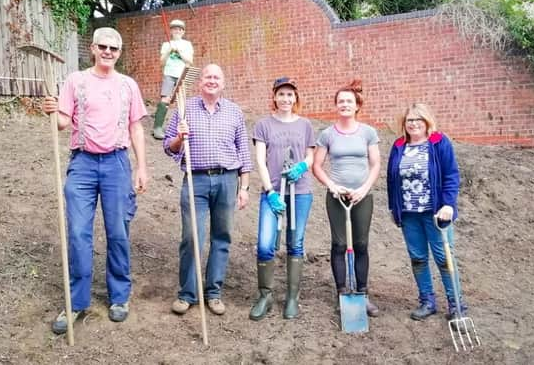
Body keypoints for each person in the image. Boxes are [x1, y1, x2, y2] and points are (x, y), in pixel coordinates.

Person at [42, 27, 149, 334]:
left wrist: (141, 167)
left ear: (119, 53)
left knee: (118, 232)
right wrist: (52, 110)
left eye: (113, 48)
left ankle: (119, 297)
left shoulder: (128, 85)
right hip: (83, 163)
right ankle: (76, 301)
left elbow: (137, 129)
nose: (108, 52)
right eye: (102, 46)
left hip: (117, 163)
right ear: (92, 48)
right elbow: (63, 122)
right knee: (77, 233)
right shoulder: (76, 81)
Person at [163, 63, 252, 316]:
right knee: (192, 236)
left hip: (227, 179)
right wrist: (180, 137)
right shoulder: (184, 108)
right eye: (207, 77)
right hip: (196, 180)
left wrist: (244, 186)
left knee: (221, 236)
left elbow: (243, 152)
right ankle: (188, 293)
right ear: (200, 82)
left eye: (217, 77)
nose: (212, 81)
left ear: (223, 83)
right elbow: (169, 147)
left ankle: (213, 292)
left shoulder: (234, 112)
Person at [386, 103, 468, 321]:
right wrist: (394, 208)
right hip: (409, 212)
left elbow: (451, 175)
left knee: (444, 257)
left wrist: (448, 204)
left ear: (427, 121)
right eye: (409, 120)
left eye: (418, 119)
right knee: (418, 258)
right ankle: (427, 301)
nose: (413, 124)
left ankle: (456, 303)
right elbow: (391, 179)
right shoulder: (399, 145)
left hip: (435, 212)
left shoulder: (438, 142)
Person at [312, 79, 381, 317]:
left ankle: (362, 294)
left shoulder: (368, 132)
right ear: (336, 105)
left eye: (349, 101)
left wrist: (364, 188)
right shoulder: (328, 134)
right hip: (337, 197)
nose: (344, 105)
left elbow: (375, 164)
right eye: (340, 101)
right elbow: (318, 166)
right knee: (340, 244)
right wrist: (332, 185)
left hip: (362, 197)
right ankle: (342, 293)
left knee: (360, 244)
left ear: (356, 105)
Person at [249, 77, 315, 321]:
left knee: (295, 243)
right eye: (281, 94)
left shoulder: (305, 125)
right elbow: (260, 160)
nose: (286, 99)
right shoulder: (263, 125)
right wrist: (270, 192)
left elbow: (310, 156)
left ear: (296, 98)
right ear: (274, 97)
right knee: (266, 244)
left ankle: (291, 297)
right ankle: (265, 295)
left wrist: (301, 167)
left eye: (290, 94)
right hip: (273, 192)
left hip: (300, 191)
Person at [152, 19, 194, 140]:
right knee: (165, 99)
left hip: (182, 74)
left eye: (179, 29)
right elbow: (162, 62)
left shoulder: (187, 44)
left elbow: (190, 61)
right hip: (169, 74)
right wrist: (169, 51)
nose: (177, 31)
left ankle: (182, 128)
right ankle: (157, 128)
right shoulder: (166, 44)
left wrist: (179, 52)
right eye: (175, 29)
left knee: (182, 101)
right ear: (171, 31)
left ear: (183, 31)